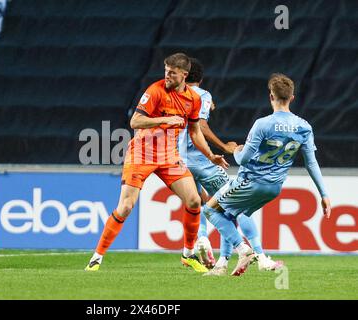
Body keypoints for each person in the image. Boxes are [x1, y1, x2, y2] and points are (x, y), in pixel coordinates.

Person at [85, 53, 229, 272]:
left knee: (193, 200)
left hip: (169, 156)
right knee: (125, 207)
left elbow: (195, 131)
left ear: (184, 74)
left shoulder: (194, 99)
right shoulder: (155, 90)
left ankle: (188, 255)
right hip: (142, 154)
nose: (167, 75)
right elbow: (135, 121)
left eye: (172, 72)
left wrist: (211, 156)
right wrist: (164, 119)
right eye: (165, 70)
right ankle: (96, 258)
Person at [204, 73, 331, 276]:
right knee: (231, 213)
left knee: (209, 211)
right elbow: (311, 163)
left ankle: (245, 250)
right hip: (274, 188)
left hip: (250, 181)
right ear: (292, 98)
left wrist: (235, 149)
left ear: (271, 96)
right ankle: (223, 264)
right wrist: (323, 194)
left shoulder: (263, 124)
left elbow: (243, 159)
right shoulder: (304, 126)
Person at [179, 58, 283, 276]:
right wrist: (224, 147)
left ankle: (205, 243)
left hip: (180, 161)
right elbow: (202, 126)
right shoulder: (203, 95)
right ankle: (256, 256)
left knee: (197, 203)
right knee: (234, 207)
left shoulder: (173, 95)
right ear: (201, 78)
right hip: (201, 161)